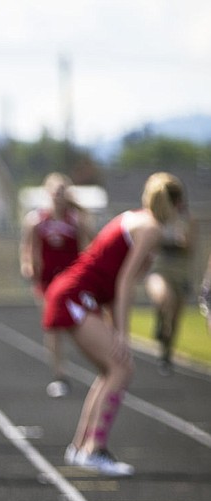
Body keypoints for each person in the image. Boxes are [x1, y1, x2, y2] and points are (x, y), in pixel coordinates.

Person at [44, 172, 184, 478]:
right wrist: (122, 333)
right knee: (122, 367)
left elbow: (111, 276)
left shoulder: (134, 218)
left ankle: (81, 447)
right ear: (176, 203)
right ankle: (94, 449)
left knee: (112, 369)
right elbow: (124, 283)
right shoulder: (152, 228)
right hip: (75, 295)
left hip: (77, 294)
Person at [19, 173, 92, 396]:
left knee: (74, 326)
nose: (58, 195)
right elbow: (27, 248)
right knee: (52, 327)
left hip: (70, 281)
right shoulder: (37, 220)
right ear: (47, 192)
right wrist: (28, 266)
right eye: (54, 190)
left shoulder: (76, 220)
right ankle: (59, 374)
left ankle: (95, 365)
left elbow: (91, 245)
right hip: (47, 281)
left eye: (62, 190)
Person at [144, 189, 192, 375]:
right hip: (160, 270)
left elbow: (189, 245)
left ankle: (166, 354)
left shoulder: (187, 221)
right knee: (165, 298)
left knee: (175, 318)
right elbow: (152, 241)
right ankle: (159, 319)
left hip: (180, 273)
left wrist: (176, 240)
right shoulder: (157, 219)